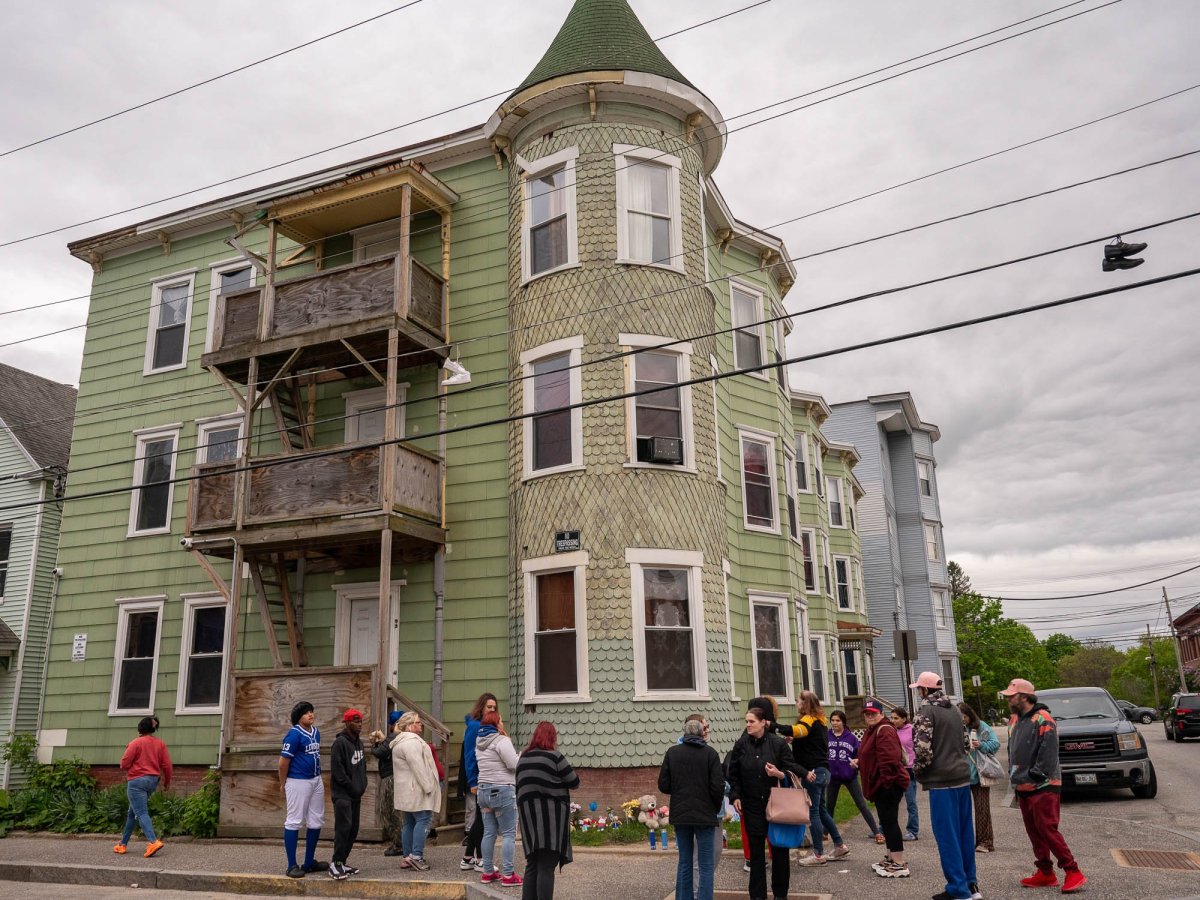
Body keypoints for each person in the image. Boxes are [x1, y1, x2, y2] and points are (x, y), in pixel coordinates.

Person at [1001, 678, 1086, 894]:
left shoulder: (1043, 719)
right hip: (1022, 785)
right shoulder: (1014, 719)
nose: (1008, 699)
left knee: (1047, 829)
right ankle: (1046, 872)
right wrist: (1016, 777)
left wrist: (1034, 775)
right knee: (1034, 832)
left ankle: (1073, 871)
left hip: (1044, 785)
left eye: (1012, 695)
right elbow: (1012, 750)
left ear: (1024, 696)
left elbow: (1048, 753)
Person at [911, 671, 979, 900]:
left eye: (919, 689)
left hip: (941, 781)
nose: (918, 693)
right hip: (961, 777)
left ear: (924, 690)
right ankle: (971, 884)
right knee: (964, 833)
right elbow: (966, 744)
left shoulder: (926, 711)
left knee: (947, 836)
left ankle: (958, 889)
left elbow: (922, 749)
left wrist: (919, 772)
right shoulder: (955, 711)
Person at [728, 704, 802, 900]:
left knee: (779, 851)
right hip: (752, 805)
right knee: (756, 854)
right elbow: (733, 774)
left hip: (776, 805)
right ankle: (757, 895)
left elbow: (792, 769)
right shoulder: (741, 744)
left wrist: (779, 774)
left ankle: (780, 894)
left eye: (751, 721)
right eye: (746, 721)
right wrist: (735, 796)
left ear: (763, 723)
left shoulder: (778, 744)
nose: (748, 725)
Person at [773, 690, 850, 866]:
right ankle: (839, 845)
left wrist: (773, 726)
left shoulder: (808, 720)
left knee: (813, 812)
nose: (796, 703)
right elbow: (811, 742)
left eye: (799, 701)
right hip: (824, 771)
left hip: (814, 772)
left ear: (805, 704)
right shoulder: (820, 722)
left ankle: (818, 855)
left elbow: (798, 730)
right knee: (821, 810)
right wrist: (794, 740)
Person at [659, 717, 724, 900]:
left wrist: (679, 791)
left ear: (685, 733)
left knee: (685, 862)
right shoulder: (710, 754)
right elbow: (718, 787)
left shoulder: (672, 753)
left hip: (681, 814)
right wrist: (714, 807)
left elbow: (663, 785)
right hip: (705, 815)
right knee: (706, 865)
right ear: (702, 733)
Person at [516, 721, 580, 899]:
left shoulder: (523, 759)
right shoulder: (554, 757)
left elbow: (519, 787)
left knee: (532, 864)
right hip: (551, 819)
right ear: (552, 738)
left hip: (528, 818)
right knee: (546, 865)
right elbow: (574, 782)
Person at [857, 699, 910, 878]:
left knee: (890, 821)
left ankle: (898, 862)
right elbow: (870, 755)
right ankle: (890, 857)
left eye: (873, 713)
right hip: (880, 784)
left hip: (888, 785)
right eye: (867, 714)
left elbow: (889, 759)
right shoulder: (872, 730)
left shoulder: (884, 730)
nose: (870, 716)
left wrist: (886, 784)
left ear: (881, 713)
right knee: (886, 822)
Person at [114, 715, 172, 858]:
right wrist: (167, 782)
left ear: (140, 728)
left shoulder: (135, 743)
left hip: (137, 782)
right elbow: (167, 765)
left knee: (141, 812)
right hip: (152, 781)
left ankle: (153, 841)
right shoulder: (160, 744)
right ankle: (122, 844)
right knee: (132, 812)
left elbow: (124, 764)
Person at [278, 700, 325, 879]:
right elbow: (283, 762)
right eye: (306, 712)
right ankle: (291, 865)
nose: (310, 714)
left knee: (316, 820)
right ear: (299, 717)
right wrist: (283, 783)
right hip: (298, 780)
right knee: (294, 821)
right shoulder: (294, 734)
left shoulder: (316, 732)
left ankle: (309, 862)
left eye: (311, 711)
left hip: (315, 779)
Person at [391, 711, 441, 871]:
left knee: (409, 822)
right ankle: (416, 856)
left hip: (407, 789)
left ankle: (407, 856)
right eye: (418, 722)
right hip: (416, 789)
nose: (421, 725)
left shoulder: (400, 742)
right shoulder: (411, 743)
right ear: (410, 726)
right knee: (424, 819)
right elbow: (418, 767)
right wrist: (429, 787)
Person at [476, 709, 521, 886]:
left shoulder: (479, 742)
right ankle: (509, 875)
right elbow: (513, 764)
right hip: (502, 789)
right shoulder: (502, 741)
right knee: (509, 833)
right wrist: (520, 756)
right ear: (496, 724)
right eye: (500, 721)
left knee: (489, 832)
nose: (502, 723)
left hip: (483, 791)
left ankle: (488, 872)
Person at [826, 709, 883, 844]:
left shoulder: (851, 738)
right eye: (833, 720)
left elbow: (860, 755)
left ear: (843, 722)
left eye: (838, 720)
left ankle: (876, 832)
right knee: (829, 806)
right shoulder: (827, 736)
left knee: (861, 804)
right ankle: (824, 832)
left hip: (849, 776)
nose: (835, 723)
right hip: (832, 777)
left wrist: (856, 763)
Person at [460, 693, 497, 872]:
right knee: (483, 819)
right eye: (489, 707)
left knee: (481, 818)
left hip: (488, 777)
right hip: (479, 779)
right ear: (481, 707)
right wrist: (472, 781)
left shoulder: (489, 726)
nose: (492, 710)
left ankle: (468, 857)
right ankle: (481, 859)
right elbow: (469, 756)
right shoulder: (475, 726)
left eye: (494, 707)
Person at [329, 708, 367, 880]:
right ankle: (335, 864)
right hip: (342, 794)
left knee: (353, 829)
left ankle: (342, 862)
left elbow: (362, 768)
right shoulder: (340, 743)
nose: (359, 724)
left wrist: (362, 784)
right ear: (347, 723)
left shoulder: (359, 743)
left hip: (356, 794)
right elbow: (338, 772)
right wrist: (351, 786)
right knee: (343, 828)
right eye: (355, 721)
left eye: (360, 721)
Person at [958, 702, 999, 854]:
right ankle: (965, 841)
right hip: (959, 775)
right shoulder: (954, 728)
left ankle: (985, 842)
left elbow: (995, 744)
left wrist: (980, 744)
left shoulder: (981, 726)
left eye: (964, 716)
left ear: (970, 715)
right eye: (959, 717)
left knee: (982, 810)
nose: (962, 720)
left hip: (978, 774)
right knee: (961, 811)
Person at [370, 710, 405, 855]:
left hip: (390, 777)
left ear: (393, 725)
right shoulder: (401, 737)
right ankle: (400, 843)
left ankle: (399, 844)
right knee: (396, 811)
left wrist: (374, 744)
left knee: (390, 811)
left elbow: (380, 752)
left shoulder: (394, 736)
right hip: (396, 776)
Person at [890, 707, 920, 841]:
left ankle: (912, 830)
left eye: (896, 718)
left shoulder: (912, 730)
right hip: (896, 768)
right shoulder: (891, 730)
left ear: (904, 718)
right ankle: (884, 827)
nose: (893, 720)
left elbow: (919, 747)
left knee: (910, 801)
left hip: (909, 769)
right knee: (890, 800)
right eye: (892, 718)